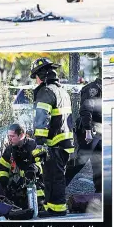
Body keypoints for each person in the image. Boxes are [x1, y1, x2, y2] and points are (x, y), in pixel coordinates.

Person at [30, 58, 75, 216]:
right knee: (52, 176)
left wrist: (40, 143)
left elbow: (42, 118)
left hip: (53, 143)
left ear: (41, 75)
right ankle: (52, 208)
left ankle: (57, 211)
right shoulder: (62, 91)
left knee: (54, 178)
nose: (35, 80)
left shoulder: (46, 91)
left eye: (35, 76)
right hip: (65, 142)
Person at [0, 123, 45, 209]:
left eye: (12, 136)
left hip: (35, 181)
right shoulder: (10, 149)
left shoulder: (33, 145)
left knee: (35, 186)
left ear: (21, 135)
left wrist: (34, 169)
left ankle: (40, 205)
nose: (10, 139)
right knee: (10, 194)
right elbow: (3, 166)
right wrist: (2, 180)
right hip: (19, 182)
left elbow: (41, 165)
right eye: (9, 136)